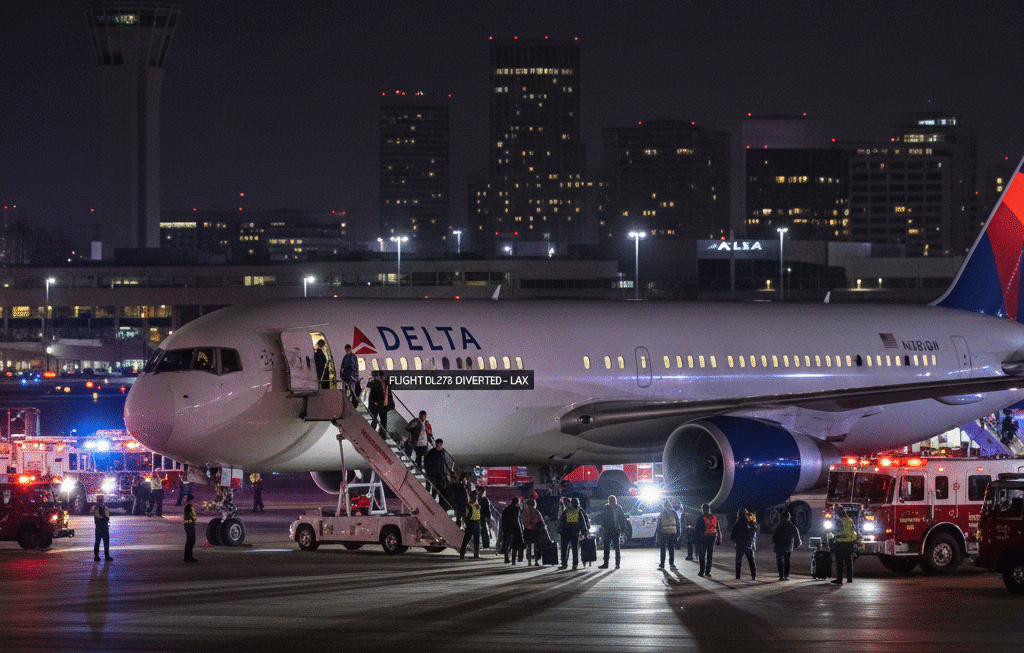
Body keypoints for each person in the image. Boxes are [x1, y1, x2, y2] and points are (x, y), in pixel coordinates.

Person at [558, 497, 589, 570]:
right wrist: (584, 532)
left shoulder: (567, 510)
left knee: (564, 549)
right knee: (575, 549)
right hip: (574, 532)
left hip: (565, 532)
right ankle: (575, 564)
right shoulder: (579, 511)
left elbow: (561, 520)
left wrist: (559, 530)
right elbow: (582, 522)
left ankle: (564, 564)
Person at [831, 506, 858, 585]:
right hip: (848, 543)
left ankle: (839, 579)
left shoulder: (841, 521)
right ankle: (849, 578)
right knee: (848, 562)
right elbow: (851, 532)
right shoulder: (849, 520)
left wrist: (834, 536)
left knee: (839, 562)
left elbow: (841, 532)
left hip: (840, 543)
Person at [771, 510, 802, 580]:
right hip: (788, 547)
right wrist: (797, 543)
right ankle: (785, 575)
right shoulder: (792, 526)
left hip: (780, 546)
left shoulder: (779, 527)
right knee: (786, 560)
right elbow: (797, 536)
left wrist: (774, 543)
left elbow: (775, 536)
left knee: (779, 560)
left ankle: (781, 575)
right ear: (789, 517)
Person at [598, 495, 627, 569]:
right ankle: (617, 564)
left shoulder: (606, 508)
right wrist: (623, 529)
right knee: (617, 547)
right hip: (616, 530)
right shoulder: (618, 508)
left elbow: (603, 519)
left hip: (608, 530)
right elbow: (622, 519)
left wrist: (603, 527)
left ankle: (606, 563)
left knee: (607, 547)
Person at [731, 508, 759, 580]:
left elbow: (732, 536)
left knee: (738, 562)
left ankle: (738, 576)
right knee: (751, 562)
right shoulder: (748, 523)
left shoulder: (737, 524)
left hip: (739, 546)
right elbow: (756, 529)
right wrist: (753, 523)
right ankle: (753, 576)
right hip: (748, 546)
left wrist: (736, 540)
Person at [697, 503, 722, 577]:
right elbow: (718, 528)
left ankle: (702, 571)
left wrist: (697, 540)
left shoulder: (701, 518)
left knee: (702, 555)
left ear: (703, 510)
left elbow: (698, 530)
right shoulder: (714, 517)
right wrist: (719, 537)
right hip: (712, 538)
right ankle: (707, 572)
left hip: (704, 539)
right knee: (709, 555)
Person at [500, 496, 525, 564]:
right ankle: (519, 558)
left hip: (507, 528)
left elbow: (503, 519)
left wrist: (503, 529)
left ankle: (506, 557)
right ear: (517, 502)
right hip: (515, 527)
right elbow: (518, 520)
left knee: (507, 542)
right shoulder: (517, 509)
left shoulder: (506, 509)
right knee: (517, 543)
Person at [656, 499, 681, 570]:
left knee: (663, 549)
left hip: (664, 533)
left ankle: (662, 564)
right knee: (671, 549)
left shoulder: (662, 513)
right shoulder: (674, 513)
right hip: (672, 533)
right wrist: (678, 534)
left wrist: (658, 536)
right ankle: (672, 564)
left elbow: (659, 525)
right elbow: (678, 523)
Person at [521, 497, 546, 566]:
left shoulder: (524, 512)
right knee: (536, 547)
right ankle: (536, 561)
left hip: (527, 531)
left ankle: (529, 561)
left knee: (528, 546)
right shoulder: (536, 512)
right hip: (535, 531)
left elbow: (523, 521)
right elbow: (541, 521)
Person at [423, 438, 448, 503]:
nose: (439, 446)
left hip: (439, 473)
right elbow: (426, 462)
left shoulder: (442, 452)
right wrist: (427, 470)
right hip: (431, 473)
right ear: (436, 444)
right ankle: (427, 499)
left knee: (437, 488)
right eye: (438, 445)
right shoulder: (431, 452)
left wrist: (444, 471)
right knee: (429, 486)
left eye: (440, 445)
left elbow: (443, 462)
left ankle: (433, 499)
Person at [459, 490, 482, 559]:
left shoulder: (469, 507)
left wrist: (465, 522)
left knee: (466, 540)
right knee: (476, 541)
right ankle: (476, 554)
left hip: (470, 524)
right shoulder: (478, 506)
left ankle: (462, 554)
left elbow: (466, 516)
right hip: (477, 524)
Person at [93, 495, 113, 561]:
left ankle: (96, 557)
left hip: (98, 527)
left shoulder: (95, 508)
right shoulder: (105, 508)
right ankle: (106, 557)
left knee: (97, 542)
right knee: (106, 542)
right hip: (104, 527)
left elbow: (93, 514)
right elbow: (107, 517)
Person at [183, 495, 198, 563]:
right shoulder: (189, 506)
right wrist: (193, 520)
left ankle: (188, 557)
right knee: (191, 541)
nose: (194, 502)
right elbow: (191, 515)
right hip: (190, 524)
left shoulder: (188, 506)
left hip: (188, 524)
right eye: (193, 500)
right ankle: (188, 557)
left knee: (190, 541)